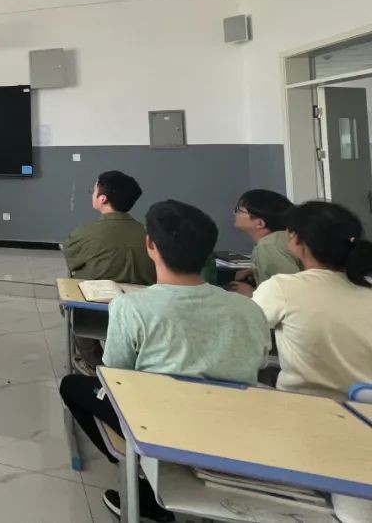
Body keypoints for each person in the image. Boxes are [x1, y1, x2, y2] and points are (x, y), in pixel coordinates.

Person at [59, 200, 270, 523]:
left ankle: (139, 479)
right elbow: (259, 361)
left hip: (157, 425)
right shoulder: (250, 309)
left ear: (150, 245)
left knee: (72, 385)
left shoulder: (131, 307)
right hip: (233, 427)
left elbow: (114, 376)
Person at [252, 201, 372, 400]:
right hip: (364, 407)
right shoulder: (367, 285)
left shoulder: (281, 288)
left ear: (295, 238)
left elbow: (241, 332)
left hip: (308, 406)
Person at [62, 171, 154, 370]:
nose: (92, 194)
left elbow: (72, 263)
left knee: (71, 304)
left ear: (102, 198)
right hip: (142, 316)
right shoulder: (149, 234)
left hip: (91, 316)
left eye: (93, 190)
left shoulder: (84, 233)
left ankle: (94, 364)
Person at [228, 189, 299, 297]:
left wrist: (252, 293)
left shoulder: (269, 245)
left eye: (239, 210)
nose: (234, 213)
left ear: (260, 223)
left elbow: (291, 293)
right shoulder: (277, 241)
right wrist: (256, 271)